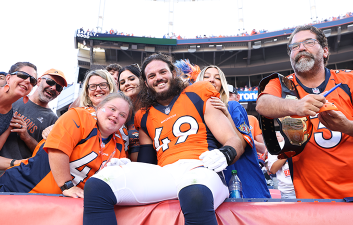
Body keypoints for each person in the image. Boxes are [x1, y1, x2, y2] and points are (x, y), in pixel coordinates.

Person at [83, 53, 246, 225]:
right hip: (166, 174)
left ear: (173, 73)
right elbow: (147, 162)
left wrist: (225, 154)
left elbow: (234, 140)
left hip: (200, 168)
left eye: (162, 72)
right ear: (146, 83)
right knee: (99, 185)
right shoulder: (143, 114)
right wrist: (128, 166)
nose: (158, 78)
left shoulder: (199, 91)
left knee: (194, 194)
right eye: (152, 76)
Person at [256, 25, 353, 199]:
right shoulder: (282, 84)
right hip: (311, 197)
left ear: (325, 51)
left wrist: (347, 126)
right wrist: (297, 106)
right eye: (294, 46)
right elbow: (263, 104)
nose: (301, 48)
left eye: (309, 42)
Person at [0, 92, 133, 197]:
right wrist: (67, 186)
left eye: (122, 115)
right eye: (112, 109)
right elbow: (57, 150)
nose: (116, 115)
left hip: (56, 203)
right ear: (99, 107)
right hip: (23, 188)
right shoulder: (79, 116)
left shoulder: (119, 143)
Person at [0, 69, 67, 192]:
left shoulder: (54, 120)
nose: (53, 88)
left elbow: (45, 153)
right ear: (39, 81)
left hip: (9, 174)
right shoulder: (14, 96)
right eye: (50, 82)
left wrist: (27, 137)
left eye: (59, 88)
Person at [196, 66, 270, 198]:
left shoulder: (232, 106)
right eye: (206, 76)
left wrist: (227, 116)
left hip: (243, 180)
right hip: (212, 184)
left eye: (217, 78)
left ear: (222, 85)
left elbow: (243, 144)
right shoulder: (192, 115)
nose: (212, 80)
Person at [118, 64, 142, 161]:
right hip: (130, 170)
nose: (127, 84)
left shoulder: (155, 106)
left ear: (142, 80)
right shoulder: (120, 114)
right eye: (122, 82)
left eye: (131, 79)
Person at [267, 132, 296, 199]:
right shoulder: (274, 147)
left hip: (304, 188)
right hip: (288, 191)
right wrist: (288, 153)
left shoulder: (302, 143)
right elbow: (273, 170)